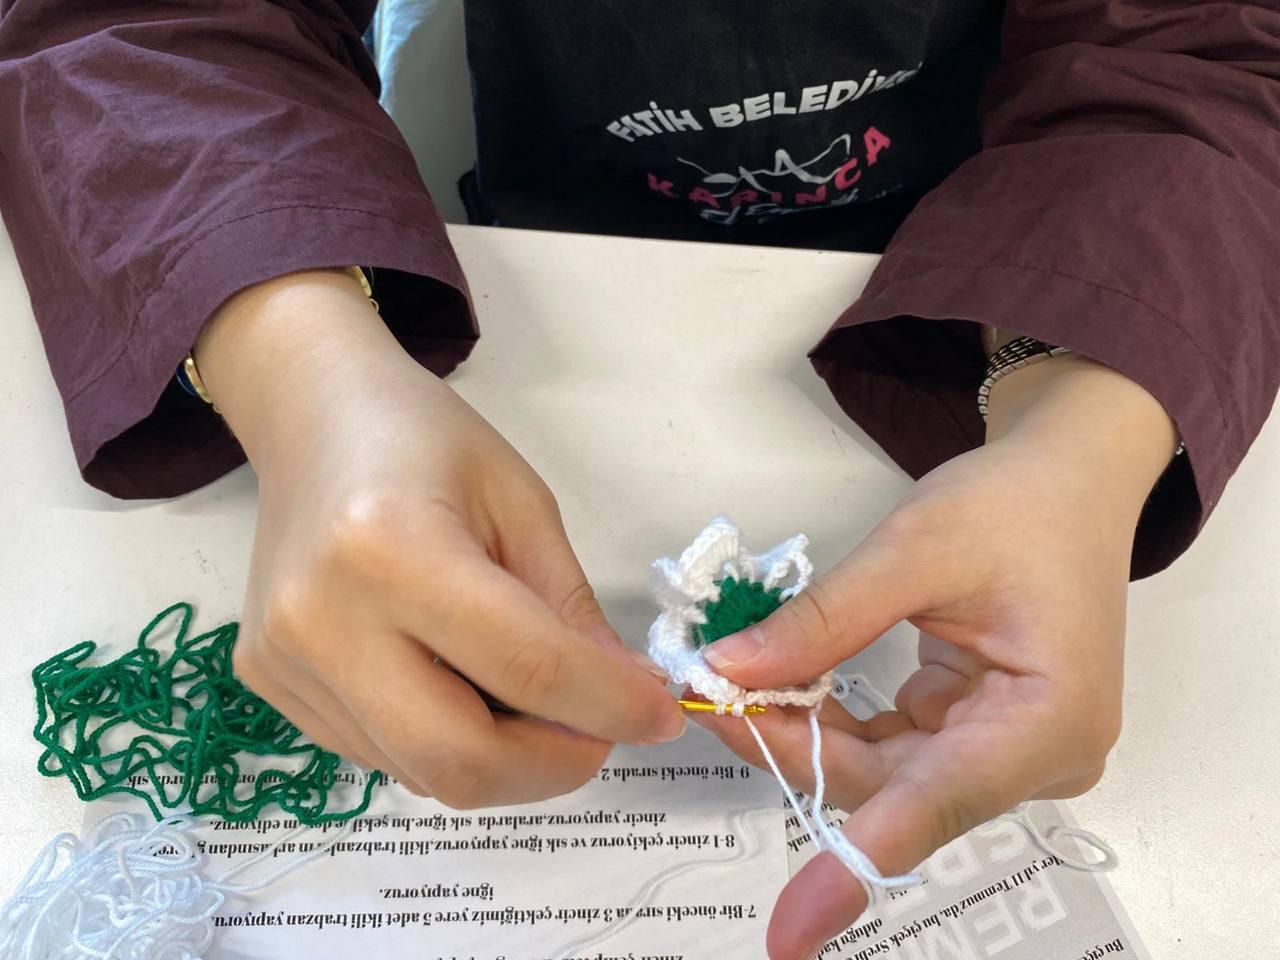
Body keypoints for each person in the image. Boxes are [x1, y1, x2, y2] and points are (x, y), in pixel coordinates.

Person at [1, 2, 1277, 957]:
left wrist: (1081, 415)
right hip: (543, 235)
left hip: (1005, 226)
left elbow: (1209, 51)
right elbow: (137, 26)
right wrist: (297, 362)